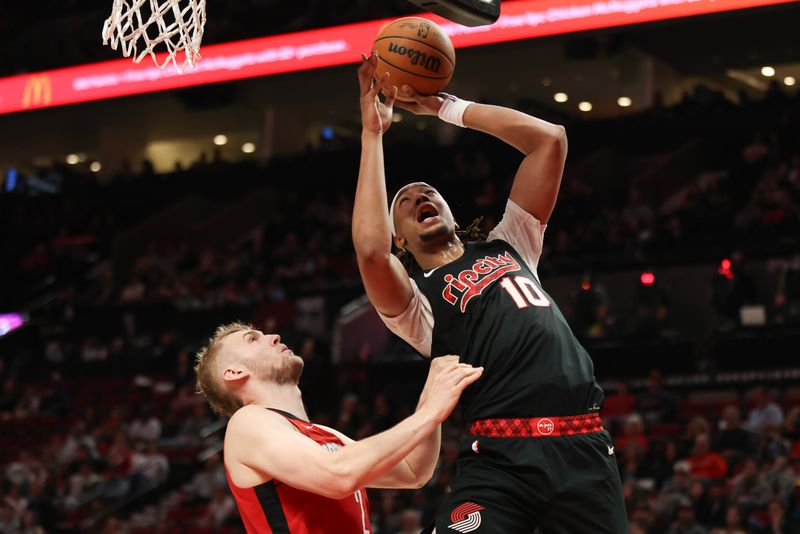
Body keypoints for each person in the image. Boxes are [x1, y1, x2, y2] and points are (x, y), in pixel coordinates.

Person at [352, 52, 627, 533]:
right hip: (501, 459)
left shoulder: (511, 243)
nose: (420, 197)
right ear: (399, 237)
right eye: (405, 199)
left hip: (583, 448)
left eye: (429, 192)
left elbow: (550, 140)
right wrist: (373, 134)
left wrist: (443, 107)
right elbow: (371, 254)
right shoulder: (414, 302)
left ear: (451, 212)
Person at [194, 321, 482, 533]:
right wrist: (431, 412)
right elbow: (339, 475)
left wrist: (432, 388)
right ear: (234, 372)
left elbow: (413, 472)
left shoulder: (324, 435)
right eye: (253, 339)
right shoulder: (247, 422)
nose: (273, 335)